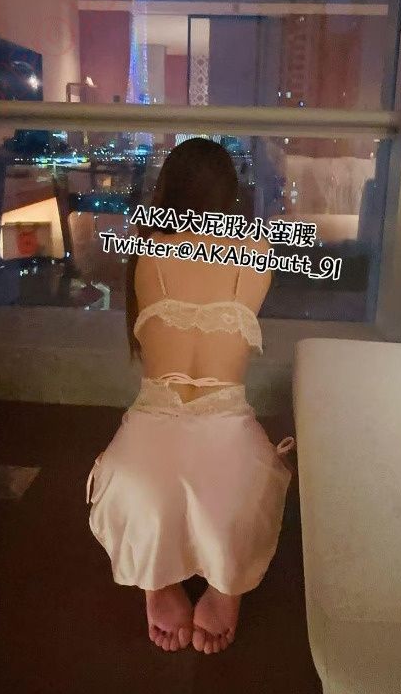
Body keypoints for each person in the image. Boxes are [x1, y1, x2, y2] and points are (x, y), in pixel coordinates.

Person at [86, 138, 295, 654]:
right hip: (230, 433)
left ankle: (156, 583)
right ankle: (226, 587)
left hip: (149, 437)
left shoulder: (144, 250)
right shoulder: (258, 252)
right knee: (249, 492)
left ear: (166, 189)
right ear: (231, 195)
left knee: (134, 487)